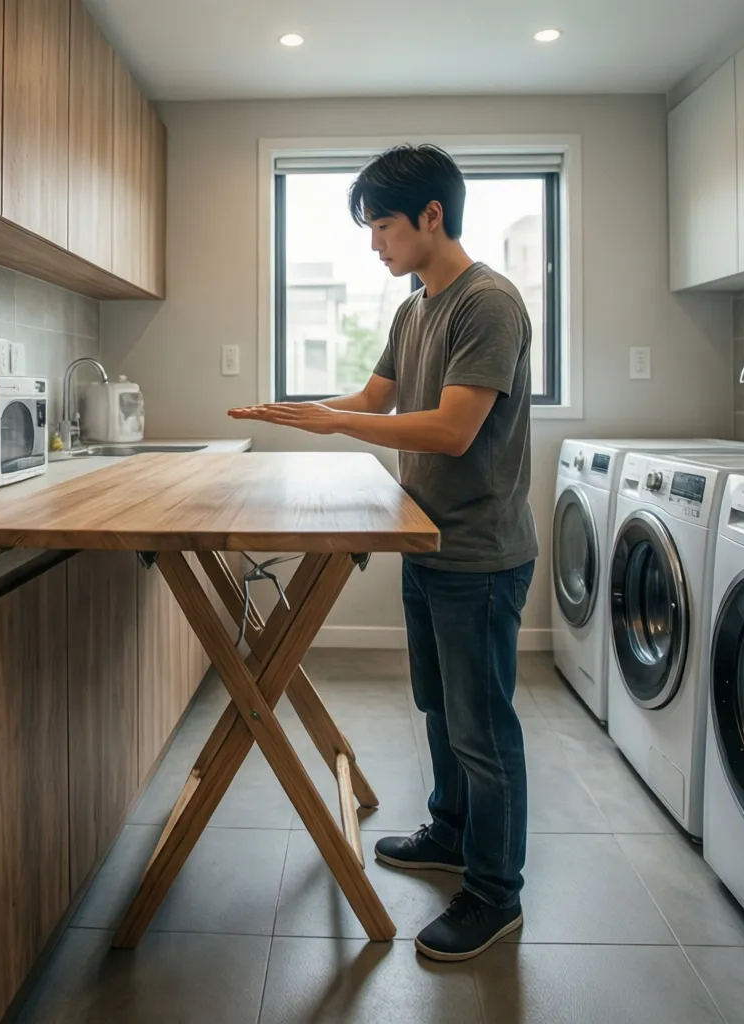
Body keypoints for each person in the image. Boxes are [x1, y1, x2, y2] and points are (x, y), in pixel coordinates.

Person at [229, 144, 538, 962]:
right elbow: (376, 399)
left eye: (382, 226)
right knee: (440, 708)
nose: (375, 244)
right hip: (428, 538)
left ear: (431, 215)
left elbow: (450, 427)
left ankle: (495, 895)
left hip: (481, 551)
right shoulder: (414, 308)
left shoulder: (489, 303)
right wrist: (302, 411)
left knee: (482, 728)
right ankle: (449, 832)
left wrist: (339, 426)